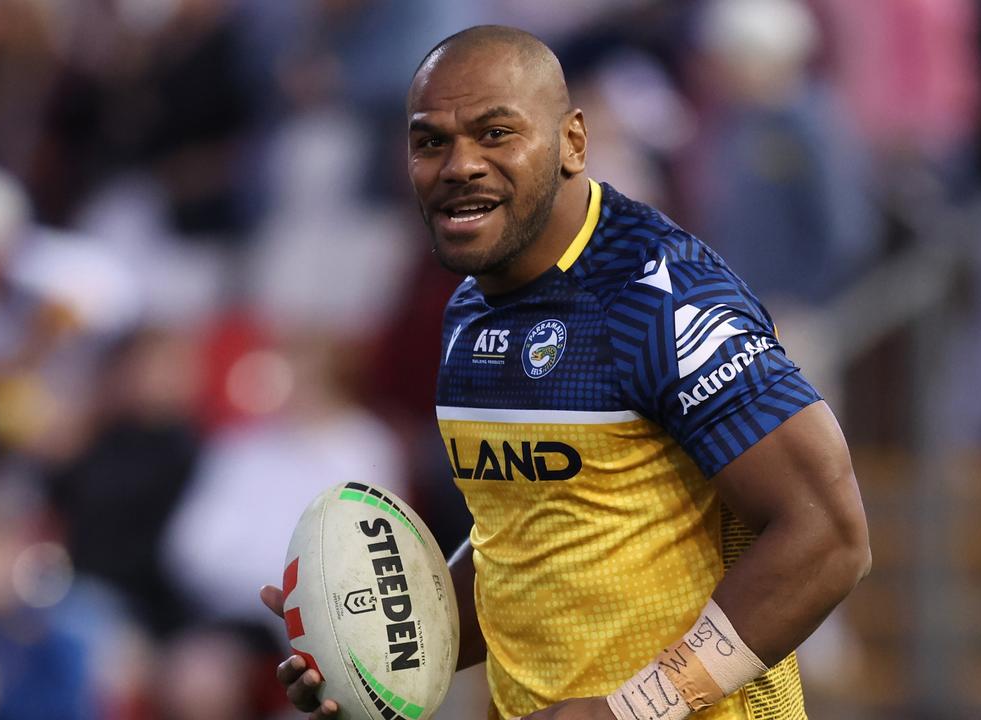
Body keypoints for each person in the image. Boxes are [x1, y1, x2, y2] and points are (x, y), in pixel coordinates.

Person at [259, 25, 871, 720]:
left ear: (573, 142)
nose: (461, 164)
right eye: (432, 141)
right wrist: (365, 649)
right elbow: (524, 554)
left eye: (495, 133)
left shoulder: (661, 295)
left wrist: (630, 710)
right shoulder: (468, 314)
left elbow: (829, 537)